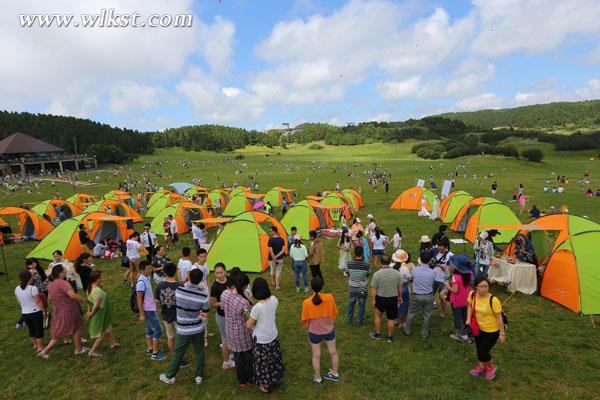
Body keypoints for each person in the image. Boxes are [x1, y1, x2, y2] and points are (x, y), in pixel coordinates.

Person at [159, 269, 210, 386]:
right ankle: (199, 376)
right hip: (198, 328)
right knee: (199, 352)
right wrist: (198, 314)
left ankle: (170, 376)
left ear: (189, 277)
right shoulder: (204, 295)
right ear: (201, 280)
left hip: (183, 330)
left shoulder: (179, 290)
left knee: (178, 353)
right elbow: (205, 313)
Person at [38, 264, 88, 359]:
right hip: (69, 309)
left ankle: (46, 351)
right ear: (60, 273)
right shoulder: (63, 283)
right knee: (76, 328)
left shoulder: (51, 284)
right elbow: (72, 295)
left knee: (57, 332)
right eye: (65, 270)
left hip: (58, 309)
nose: (66, 271)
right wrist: (85, 299)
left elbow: (49, 299)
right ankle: (78, 349)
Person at [247, 278, 284, 394]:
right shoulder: (274, 299)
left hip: (261, 340)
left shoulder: (257, 308)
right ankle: (275, 378)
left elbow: (249, 324)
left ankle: (265, 384)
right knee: (273, 359)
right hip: (273, 334)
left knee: (262, 363)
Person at [301, 278, 340, 386]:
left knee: (316, 356)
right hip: (329, 330)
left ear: (311, 287)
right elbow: (334, 312)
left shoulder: (306, 303)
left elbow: (305, 320)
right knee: (333, 351)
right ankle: (335, 373)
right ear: (322, 286)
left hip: (314, 333)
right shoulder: (329, 297)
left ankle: (318, 379)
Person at [465, 277, 506, 380]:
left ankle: (491, 368)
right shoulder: (472, 294)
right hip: (478, 328)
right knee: (479, 349)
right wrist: (468, 318)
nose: (484, 289)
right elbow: (469, 306)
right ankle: (481, 367)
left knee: (483, 351)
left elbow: (499, 318)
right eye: (481, 286)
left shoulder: (493, 300)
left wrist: (502, 333)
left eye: (486, 286)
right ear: (476, 287)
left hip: (491, 331)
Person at [221, 272, 254, 387]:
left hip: (230, 330)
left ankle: (242, 381)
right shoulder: (243, 302)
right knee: (248, 357)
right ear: (244, 286)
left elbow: (222, 307)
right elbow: (248, 319)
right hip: (242, 333)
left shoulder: (225, 293)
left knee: (237, 357)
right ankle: (250, 378)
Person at [154, 262, 189, 366]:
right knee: (181, 338)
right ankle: (179, 358)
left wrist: (164, 302)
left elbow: (156, 300)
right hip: (179, 316)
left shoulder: (160, 285)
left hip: (166, 315)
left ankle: (175, 356)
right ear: (175, 272)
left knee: (170, 337)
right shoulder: (180, 286)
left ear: (164, 272)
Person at [137, 261, 167, 361]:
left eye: (150, 268)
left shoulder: (147, 277)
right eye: (148, 269)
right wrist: (141, 314)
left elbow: (148, 293)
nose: (150, 270)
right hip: (148, 309)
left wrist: (153, 300)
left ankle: (150, 348)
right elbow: (139, 299)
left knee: (150, 329)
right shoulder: (140, 282)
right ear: (141, 270)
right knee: (158, 329)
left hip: (151, 306)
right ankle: (155, 353)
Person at [86, 270, 120, 357]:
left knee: (107, 327)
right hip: (100, 314)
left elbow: (89, 302)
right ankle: (92, 351)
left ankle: (113, 343)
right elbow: (96, 305)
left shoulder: (89, 288)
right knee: (102, 334)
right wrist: (91, 313)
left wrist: (88, 311)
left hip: (101, 313)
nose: (103, 278)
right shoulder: (98, 291)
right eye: (101, 277)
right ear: (98, 279)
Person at [403, 249, 436, 339]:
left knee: (411, 313)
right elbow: (433, 282)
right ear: (430, 260)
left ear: (420, 259)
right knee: (427, 314)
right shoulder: (433, 272)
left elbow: (410, 279)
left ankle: (407, 330)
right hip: (429, 296)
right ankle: (424, 333)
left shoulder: (415, 270)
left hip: (416, 296)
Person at [370, 254, 403, 342]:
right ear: (390, 262)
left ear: (381, 262)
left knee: (378, 316)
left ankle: (377, 334)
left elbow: (374, 289)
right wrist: (400, 297)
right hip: (393, 298)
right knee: (391, 319)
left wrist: (373, 300)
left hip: (381, 298)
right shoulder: (397, 273)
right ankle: (389, 337)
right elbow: (400, 287)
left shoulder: (377, 274)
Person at [210, 263, 235, 370]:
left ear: (225, 271)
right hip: (222, 316)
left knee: (232, 336)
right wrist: (224, 302)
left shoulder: (230, 280)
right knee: (225, 338)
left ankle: (232, 354)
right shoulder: (214, 286)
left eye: (221, 272)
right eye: (217, 273)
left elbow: (235, 292)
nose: (219, 275)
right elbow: (213, 304)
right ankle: (226, 362)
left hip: (232, 314)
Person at [15, 270, 46, 353]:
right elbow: (38, 301)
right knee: (39, 329)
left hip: (25, 313)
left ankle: (35, 345)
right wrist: (43, 311)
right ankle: (40, 347)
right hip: (35, 312)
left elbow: (19, 301)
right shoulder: (33, 288)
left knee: (31, 329)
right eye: (32, 276)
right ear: (29, 278)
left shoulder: (17, 289)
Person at [446, 255, 473, 342]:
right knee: (466, 316)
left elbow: (455, 290)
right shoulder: (470, 273)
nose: (451, 265)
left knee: (457, 317)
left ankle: (459, 334)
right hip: (467, 299)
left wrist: (447, 285)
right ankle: (467, 332)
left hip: (457, 301)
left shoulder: (455, 276)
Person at [345, 246, 370, 326]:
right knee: (362, 304)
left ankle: (349, 319)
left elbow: (347, 273)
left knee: (351, 303)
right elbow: (368, 274)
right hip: (362, 289)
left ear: (354, 253)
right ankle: (359, 321)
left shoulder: (349, 263)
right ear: (362, 253)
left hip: (352, 287)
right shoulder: (366, 265)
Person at [391, 249, 412, 328]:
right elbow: (409, 279)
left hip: (393, 288)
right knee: (404, 305)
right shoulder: (404, 269)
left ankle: (395, 319)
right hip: (403, 288)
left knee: (395, 304)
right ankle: (401, 322)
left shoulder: (391, 266)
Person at [432, 242, 453, 317]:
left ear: (446, 246)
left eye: (441, 246)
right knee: (430, 294)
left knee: (442, 297)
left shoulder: (450, 256)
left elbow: (450, 270)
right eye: (438, 246)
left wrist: (441, 266)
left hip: (443, 280)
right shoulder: (436, 252)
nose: (439, 247)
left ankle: (442, 312)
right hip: (434, 277)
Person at [267, 226, 286, 291]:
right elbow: (283, 250)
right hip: (279, 258)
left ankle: (273, 282)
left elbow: (270, 250)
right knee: (278, 272)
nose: (270, 232)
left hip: (271, 259)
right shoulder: (281, 239)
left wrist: (274, 257)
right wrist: (277, 256)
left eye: (271, 231)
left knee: (272, 270)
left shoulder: (270, 239)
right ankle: (277, 286)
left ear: (274, 231)